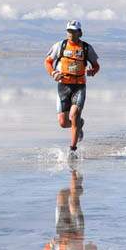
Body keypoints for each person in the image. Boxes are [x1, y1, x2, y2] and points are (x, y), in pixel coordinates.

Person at [45, 21, 100, 153]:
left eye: (74, 31)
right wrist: (53, 73)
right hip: (63, 86)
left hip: (79, 86)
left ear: (80, 33)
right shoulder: (60, 46)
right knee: (63, 123)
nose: (71, 33)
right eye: (69, 31)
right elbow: (48, 62)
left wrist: (93, 71)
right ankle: (79, 125)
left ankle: (72, 150)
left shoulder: (86, 48)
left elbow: (96, 65)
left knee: (74, 114)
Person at [43, 170, 97, 250]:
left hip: (62, 231)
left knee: (62, 195)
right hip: (78, 231)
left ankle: (76, 187)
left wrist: (51, 244)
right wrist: (90, 248)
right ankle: (73, 170)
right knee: (73, 202)